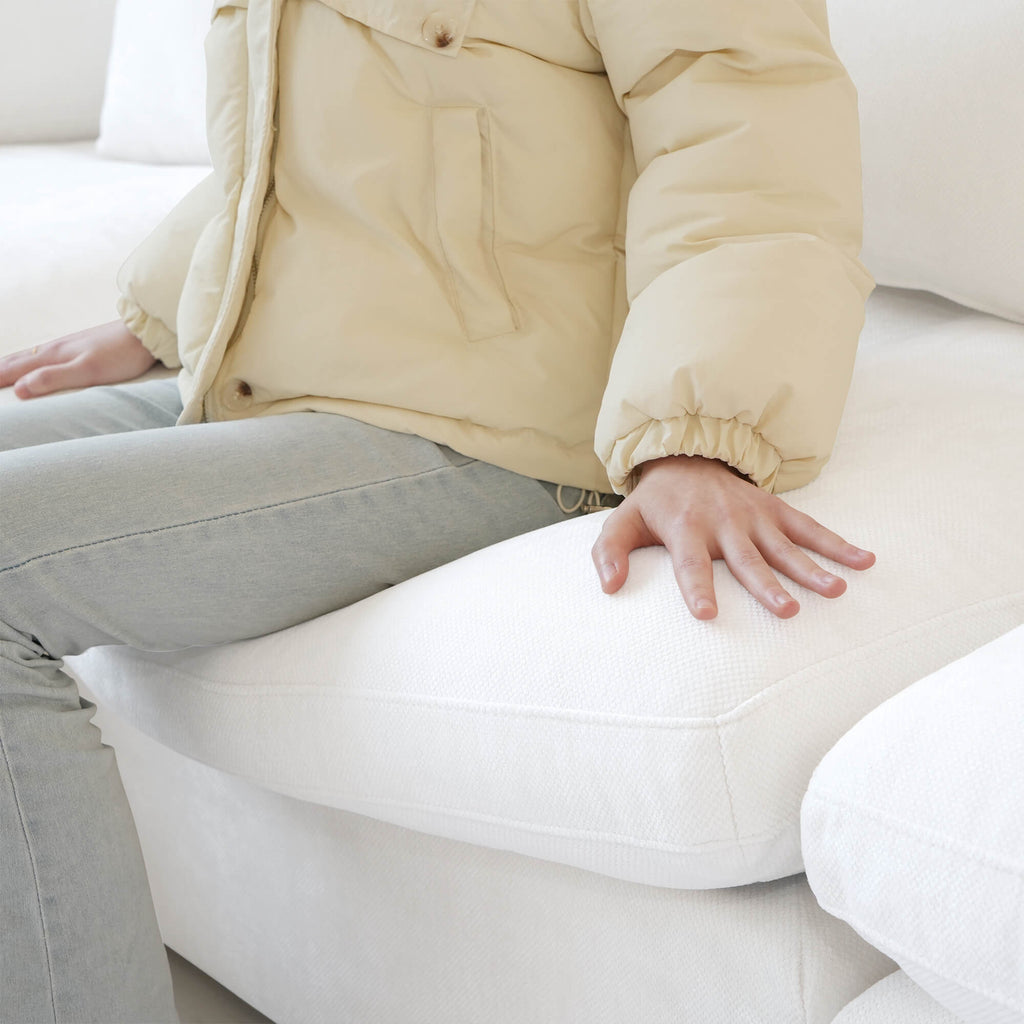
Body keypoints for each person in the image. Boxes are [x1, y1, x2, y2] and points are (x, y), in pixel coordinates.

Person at [0, 0, 876, 1019]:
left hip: (485, 417)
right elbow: (308, 124)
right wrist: (159, 311)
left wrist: (695, 430)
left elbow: (750, 137)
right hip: (275, 371)